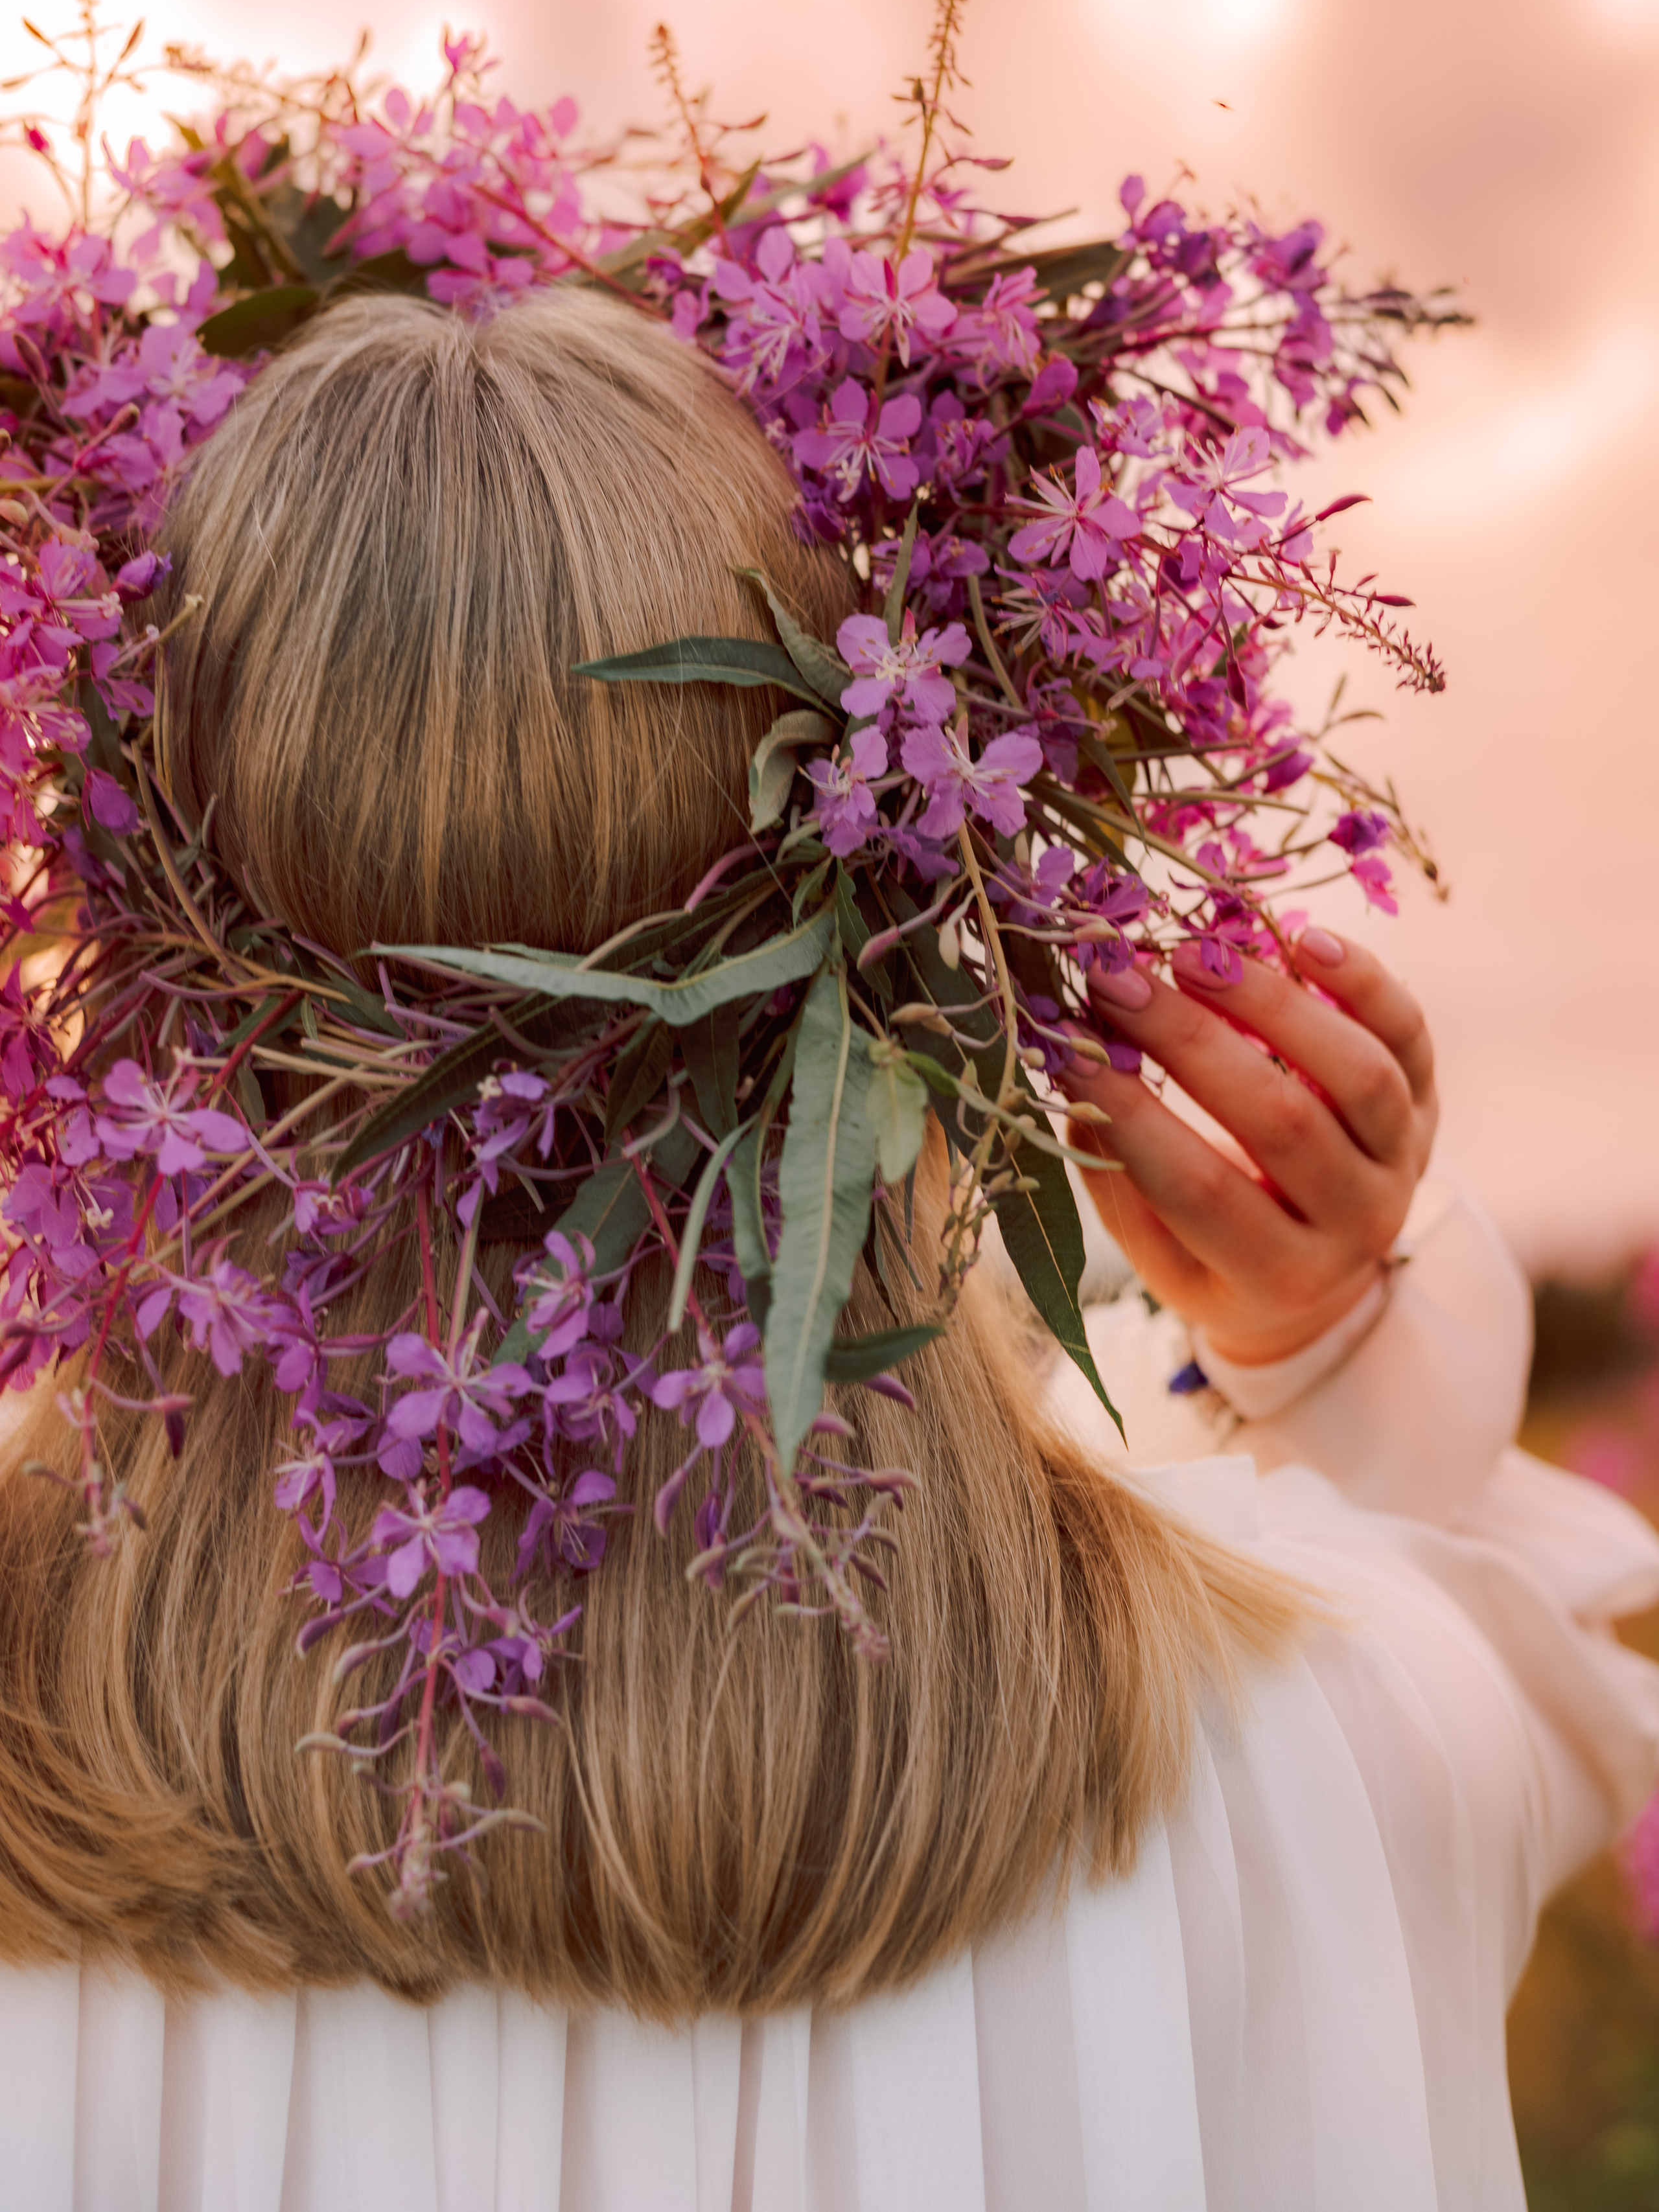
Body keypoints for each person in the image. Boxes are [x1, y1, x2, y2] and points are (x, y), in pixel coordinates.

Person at [0, 287, 1654, 2212]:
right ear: (866, 934)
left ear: (146, 971)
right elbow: (1507, 1673)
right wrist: (1323, 1349)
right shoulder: (1332, 1762)